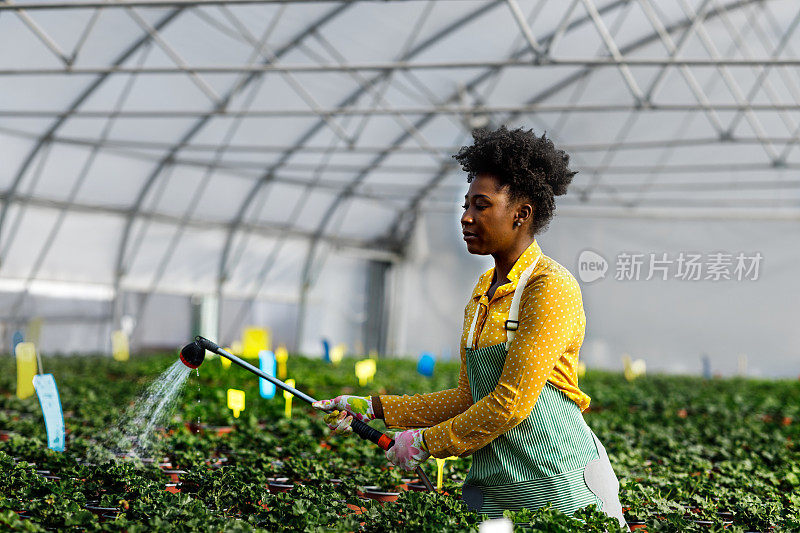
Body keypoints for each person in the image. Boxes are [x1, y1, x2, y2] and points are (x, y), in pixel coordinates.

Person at [313, 126, 626, 527]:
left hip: (561, 488)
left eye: (481, 205)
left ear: (521, 214)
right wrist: (372, 407)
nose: (466, 217)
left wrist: (426, 443)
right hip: (498, 488)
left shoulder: (550, 287)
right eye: (466, 205)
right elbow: (468, 396)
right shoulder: (484, 290)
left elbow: (510, 403)